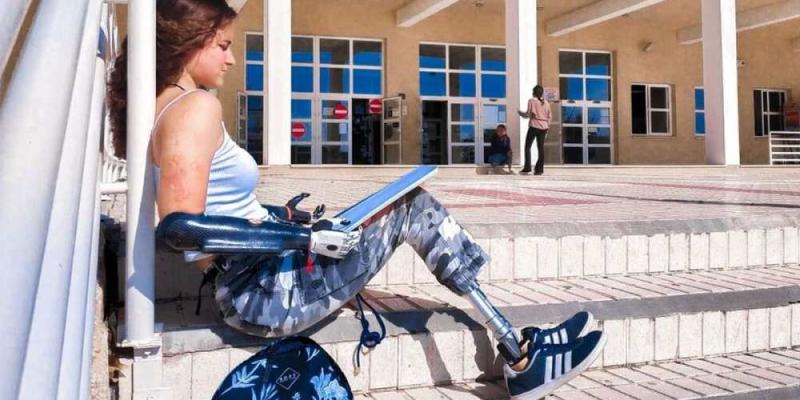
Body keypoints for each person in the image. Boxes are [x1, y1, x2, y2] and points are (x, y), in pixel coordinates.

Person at [107, 1, 604, 398]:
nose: (232, 58)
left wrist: (287, 220)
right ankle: (520, 357)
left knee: (393, 206)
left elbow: (204, 219)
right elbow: (180, 230)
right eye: (222, 45)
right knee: (414, 205)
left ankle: (516, 341)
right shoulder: (195, 108)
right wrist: (305, 237)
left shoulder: (162, 108)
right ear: (190, 44)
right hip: (260, 294)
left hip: (254, 281)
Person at [519, 85, 552, 175]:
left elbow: (528, 114)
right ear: (542, 93)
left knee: (527, 146)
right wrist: (547, 127)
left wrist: (521, 114)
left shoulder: (531, 101)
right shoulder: (546, 103)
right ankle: (539, 169)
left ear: (533, 92)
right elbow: (549, 116)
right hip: (544, 127)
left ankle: (527, 168)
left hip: (534, 125)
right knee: (541, 148)